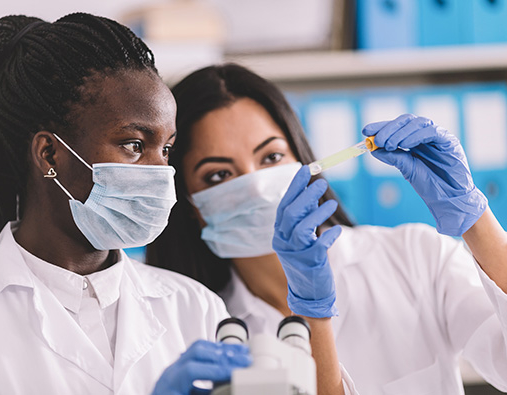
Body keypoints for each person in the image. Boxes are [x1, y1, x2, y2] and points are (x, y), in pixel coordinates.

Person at [0, 15, 253, 395]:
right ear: (50, 155)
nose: (162, 171)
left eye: (167, 149)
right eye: (134, 145)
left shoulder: (196, 309)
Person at [146, 63, 507, 394]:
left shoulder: (415, 256)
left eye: (271, 157)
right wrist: (312, 315)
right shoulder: (201, 326)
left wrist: (475, 218)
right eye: (219, 175)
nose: (256, 185)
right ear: (189, 203)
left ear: (303, 160)